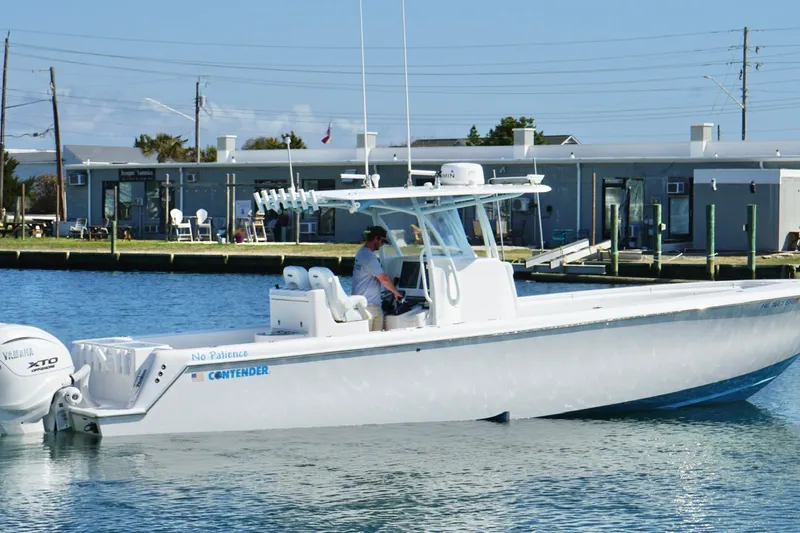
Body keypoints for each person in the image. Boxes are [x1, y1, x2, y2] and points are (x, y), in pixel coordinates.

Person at [352, 226, 403, 331]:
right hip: (370, 307)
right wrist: (396, 293)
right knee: (374, 337)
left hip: (361, 305)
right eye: (382, 241)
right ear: (376, 238)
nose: (382, 244)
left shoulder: (361, 252)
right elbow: (383, 279)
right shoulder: (369, 257)